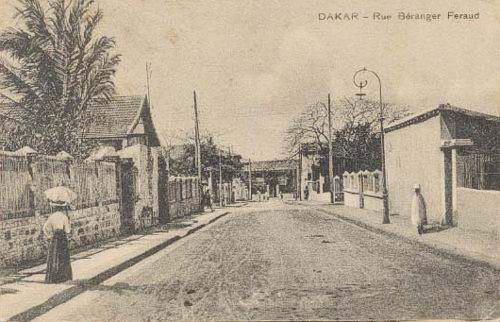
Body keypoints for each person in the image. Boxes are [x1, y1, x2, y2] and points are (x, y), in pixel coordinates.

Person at [43, 201, 73, 283]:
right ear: (62, 208)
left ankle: (54, 277)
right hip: (62, 238)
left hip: (55, 238)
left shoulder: (51, 217)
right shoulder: (64, 217)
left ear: (55, 207)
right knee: (62, 256)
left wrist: (49, 236)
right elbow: (67, 230)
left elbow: (45, 228)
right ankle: (63, 277)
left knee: (54, 256)